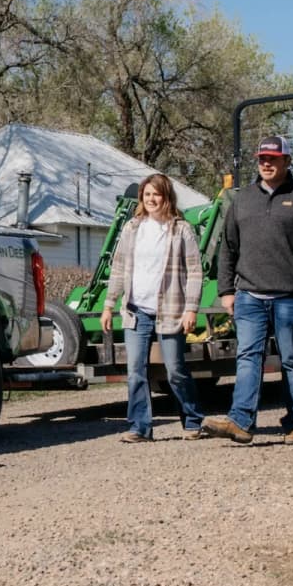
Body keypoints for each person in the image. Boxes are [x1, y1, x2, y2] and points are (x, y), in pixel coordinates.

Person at [202, 135, 293, 445]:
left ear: (287, 162)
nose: (266, 163)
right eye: (262, 158)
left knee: (292, 359)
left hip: (291, 296)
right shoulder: (242, 200)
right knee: (248, 357)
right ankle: (241, 422)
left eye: (273, 158)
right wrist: (226, 290)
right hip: (249, 295)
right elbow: (228, 249)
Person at [102, 174, 210, 442]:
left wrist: (191, 309)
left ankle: (192, 420)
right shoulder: (132, 228)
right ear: (142, 197)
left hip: (171, 310)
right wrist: (108, 304)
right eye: (147, 194)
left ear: (167, 197)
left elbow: (195, 272)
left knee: (175, 369)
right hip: (136, 310)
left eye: (156, 194)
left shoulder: (181, 229)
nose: (151, 199)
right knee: (136, 371)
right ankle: (140, 427)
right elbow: (117, 268)